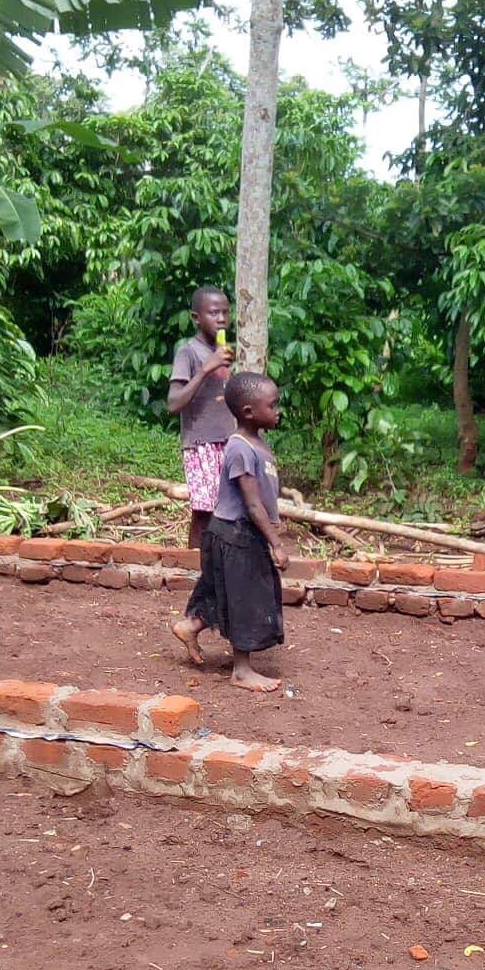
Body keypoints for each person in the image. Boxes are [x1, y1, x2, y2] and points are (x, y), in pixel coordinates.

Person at [171, 373, 289, 692]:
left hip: (233, 533)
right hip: (235, 534)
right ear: (249, 412)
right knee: (245, 597)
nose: (278, 410)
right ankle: (241, 671)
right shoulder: (239, 449)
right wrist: (276, 543)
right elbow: (252, 504)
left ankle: (189, 626)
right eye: (272, 405)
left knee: (221, 589)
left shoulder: (256, 443)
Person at [167, 286, 236, 550]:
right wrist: (206, 369)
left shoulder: (222, 352)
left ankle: (217, 562)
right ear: (196, 317)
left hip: (227, 441)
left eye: (225, 313)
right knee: (204, 511)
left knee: (227, 510)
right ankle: (192, 562)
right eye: (213, 313)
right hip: (201, 444)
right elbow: (174, 403)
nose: (221, 319)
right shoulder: (189, 353)